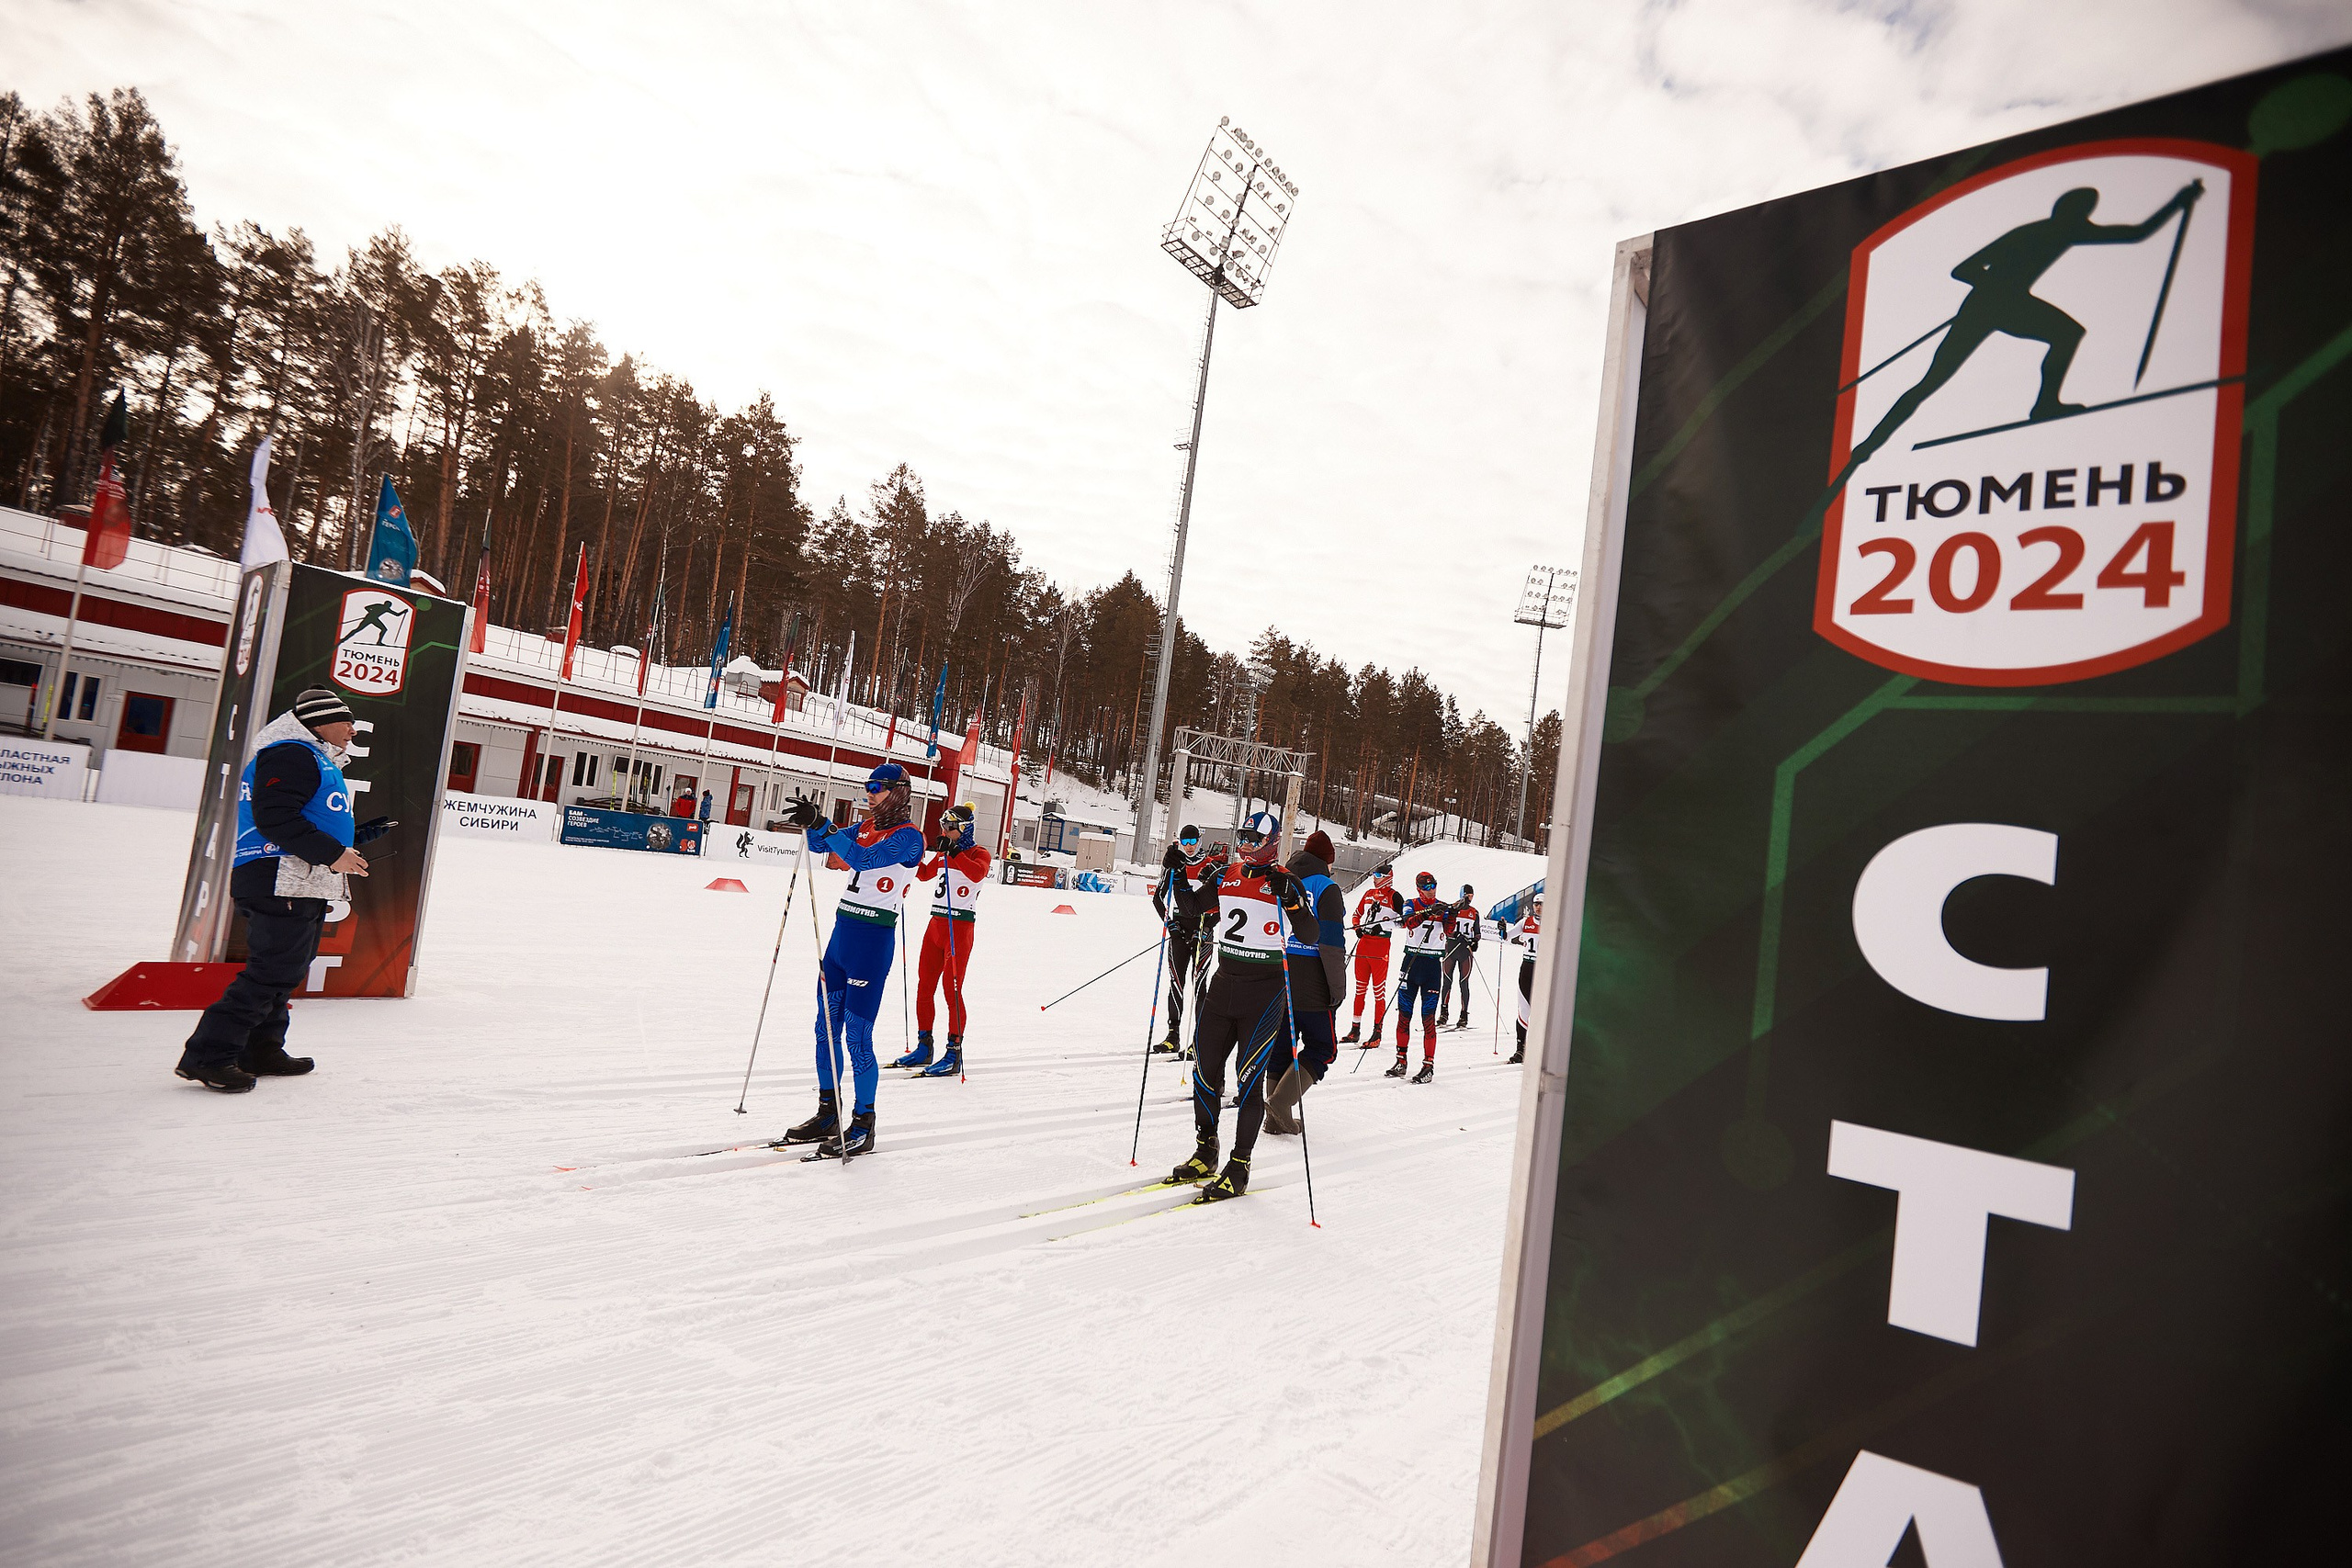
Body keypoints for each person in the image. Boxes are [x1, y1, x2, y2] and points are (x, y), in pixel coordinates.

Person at [1849, 179, 2204, 466]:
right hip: (1988, 306)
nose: (2086, 220)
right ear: (2066, 212)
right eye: (2082, 213)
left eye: (2088, 213)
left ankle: (2045, 404)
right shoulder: (2034, 232)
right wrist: (1995, 285)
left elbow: (2134, 234)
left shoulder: (2064, 231)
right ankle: (1869, 445)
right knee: (1933, 380)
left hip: (2006, 304)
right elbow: (1963, 269)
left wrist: (2177, 203)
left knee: (2068, 334)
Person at [175, 687, 391, 1092]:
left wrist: (355, 837)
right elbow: (274, 818)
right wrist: (333, 853)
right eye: (346, 722)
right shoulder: (292, 753)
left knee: (285, 970)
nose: (352, 731)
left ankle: (261, 1050)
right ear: (319, 723)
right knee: (271, 971)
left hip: (297, 880)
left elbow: (300, 819)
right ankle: (208, 1057)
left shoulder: (310, 756)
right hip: (279, 879)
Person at [1164, 810, 1317, 1202]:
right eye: (1243, 837)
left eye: (1254, 839)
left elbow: (1311, 933)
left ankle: (1239, 1166)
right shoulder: (1225, 874)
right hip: (1223, 985)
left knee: (1248, 1081)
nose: (1246, 845)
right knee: (1204, 1070)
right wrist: (1177, 873)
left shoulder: (1285, 880)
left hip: (1264, 993)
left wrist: (1293, 903)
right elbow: (1191, 907)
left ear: (1271, 842)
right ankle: (1206, 1151)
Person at [774, 762, 925, 1158]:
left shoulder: (910, 837)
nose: (869, 793)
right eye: (867, 787)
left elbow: (862, 860)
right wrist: (812, 823)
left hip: (871, 943)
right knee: (825, 1028)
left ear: (898, 791)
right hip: (841, 939)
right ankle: (828, 1112)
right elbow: (823, 846)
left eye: (877, 787)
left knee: (858, 1036)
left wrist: (825, 826)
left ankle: (863, 1122)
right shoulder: (866, 825)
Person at [895, 802, 990, 1077]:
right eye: (943, 826)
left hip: (959, 929)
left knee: (952, 990)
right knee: (924, 987)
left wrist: (955, 853)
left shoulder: (978, 853)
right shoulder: (943, 852)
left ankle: (953, 1053)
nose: (945, 831)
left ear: (965, 828)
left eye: (950, 827)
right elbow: (924, 873)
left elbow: (977, 872)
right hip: (936, 926)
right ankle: (924, 1046)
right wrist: (908, 856)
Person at [1263, 830, 1348, 1136]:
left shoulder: (1281, 877)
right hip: (1312, 975)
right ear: (1327, 861)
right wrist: (1337, 989)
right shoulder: (1326, 887)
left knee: (1281, 1045)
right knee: (1323, 1047)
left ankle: (1274, 1117)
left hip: (1277, 970)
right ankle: (1281, 1103)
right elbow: (1332, 944)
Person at [1150, 824, 1216, 1055]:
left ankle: (1198, 1040)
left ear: (1199, 841)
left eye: (1193, 842)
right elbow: (1158, 899)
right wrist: (1170, 925)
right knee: (1176, 983)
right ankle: (1173, 1036)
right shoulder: (1174, 865)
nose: (1189, 847)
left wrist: (1208, 926)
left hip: (1202, 931)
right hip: (1179, 930)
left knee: (1200, 986)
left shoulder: (1211, 866)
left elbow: (1222, 903)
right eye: (1185, 842)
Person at [1388, 870, 1451, 1083]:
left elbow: (1450, 931)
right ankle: (1401, 1061)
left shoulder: (1442, 906)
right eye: (1426, 887)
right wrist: (1427, 913)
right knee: (1404, 1015)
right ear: (1418, 889)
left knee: (1428, 1019)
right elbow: (1409, 921)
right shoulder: (1411, 903)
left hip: (1432, 967)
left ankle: (1428, 1066)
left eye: (1433, 886)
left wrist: (1451, 913)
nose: (1431, 890)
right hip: (1411, 964)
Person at [1342, 864, 1401, 1046]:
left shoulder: (1394, 896)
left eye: (1378, 875)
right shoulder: (1369, 893)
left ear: (1387, 877)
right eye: (1374, 874)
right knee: (1360, 989)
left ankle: (1377, 1033)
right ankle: (1355, 1029)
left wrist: (1383, 926)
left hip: (1380, 948)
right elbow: (1356, 914)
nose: (1374, 878)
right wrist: (1357, 928)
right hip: (1363, 946)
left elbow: (1405, 921)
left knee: (1378, 992)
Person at [1436, 882, 1480, 1029]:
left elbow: (1477, 932)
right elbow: (1446, 928)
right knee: (1447, 982)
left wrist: (1475, 942)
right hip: (1451, 948)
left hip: (1465, 952)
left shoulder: (1474, 913)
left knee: (1464, 983)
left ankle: (1463, 1015)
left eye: (1471, 896)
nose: (1469, 898)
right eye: (1467, 895)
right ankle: (1443, 1013)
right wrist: (1455, 935)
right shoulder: (1453, 909)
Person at [1506, 892, 1543, 1065]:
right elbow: (1506, 936)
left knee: (1542, 1010)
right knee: (1524, 1010)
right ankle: (1520, 1049)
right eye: (1536, 904)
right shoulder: (1526, 922)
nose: (1538, 907)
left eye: (1541, 904)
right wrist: (1502, 929)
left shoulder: (1552, 924)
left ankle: (1541, 1049)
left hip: (1543, 969)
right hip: (1527, 968)